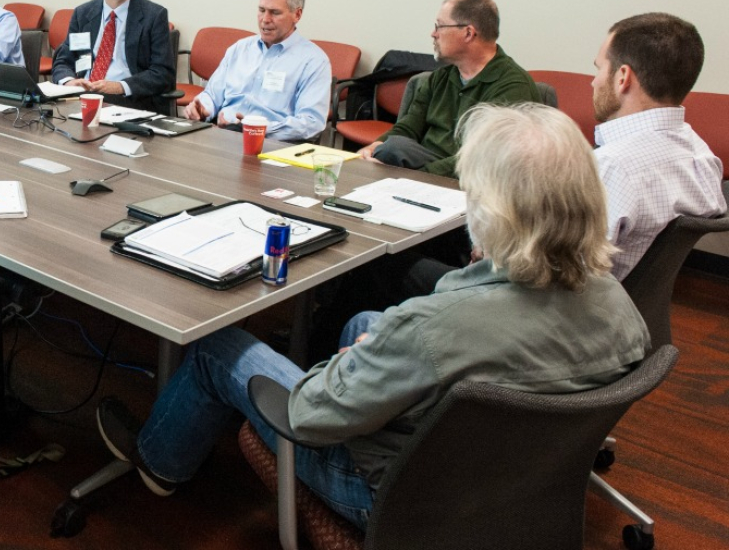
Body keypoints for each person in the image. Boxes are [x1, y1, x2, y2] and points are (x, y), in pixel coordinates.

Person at [96, 102, 649, 529]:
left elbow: (309, 414)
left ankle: (158, 461)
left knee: (220, 346)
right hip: (520, 480)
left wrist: (334, 376)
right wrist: (373, 356)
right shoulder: (621, 307)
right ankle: (364, 375)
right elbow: (439, 340)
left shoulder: (434, 327)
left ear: (489, 212)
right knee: (365, 323)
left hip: (392, 495)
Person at [590, 12, 726, 280]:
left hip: (582, 314)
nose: (593, 81)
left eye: (599, 69)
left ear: (622, 77)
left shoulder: (611, 167)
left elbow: (570, 277)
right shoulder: (703, 158)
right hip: (633, 308)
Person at [357, 0, 539, 177]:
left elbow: (484, 158)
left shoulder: (512, 85)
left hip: (471, 179)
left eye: (440, 26)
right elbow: (408, 128)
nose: (433, 34)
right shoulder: (439, 78)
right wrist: (373, 147)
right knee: (394, 146)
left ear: (468, 33)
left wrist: (415, 176)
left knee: (394, 150)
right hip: (424, 168)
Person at [181, 0, 332, 141]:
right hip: (222, 136)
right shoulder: (240, 49)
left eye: (275, 13)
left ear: (297, 14)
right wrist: (203, 108)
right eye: (261, 10)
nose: (265, 19)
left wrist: (255, 128)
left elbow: (311, 123)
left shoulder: (313, 61)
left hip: (271, 145)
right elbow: (212, 94)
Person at [51, 0, 174, 114]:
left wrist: (120, 86)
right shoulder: (83, 14)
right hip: (83, 95)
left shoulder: (153, 16)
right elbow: (64, 60)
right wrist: (69, 82)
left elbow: (163, 74)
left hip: (127, 101)